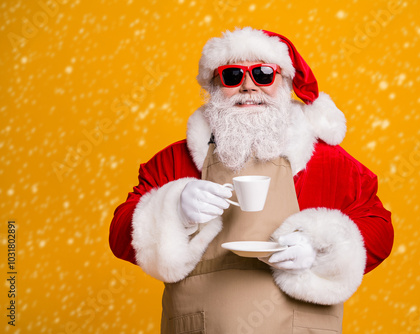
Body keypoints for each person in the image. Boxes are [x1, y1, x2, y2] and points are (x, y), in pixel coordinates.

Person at [109, 27, 394, 333]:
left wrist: (320, 248)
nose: (248, 86)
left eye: (263, 74)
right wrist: (173, 209)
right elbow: (119, 237)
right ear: (215, 86)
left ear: (284, 81)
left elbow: (379, 227)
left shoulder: (329, 163)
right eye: (232, 75)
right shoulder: (173, 161)